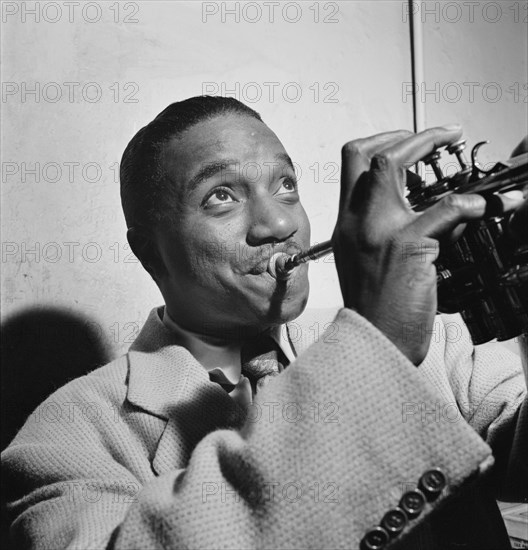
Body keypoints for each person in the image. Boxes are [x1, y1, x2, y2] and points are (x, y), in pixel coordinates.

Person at [2, 96, 526, 550]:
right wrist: (375, 350)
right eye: (221, 197)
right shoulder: (63, 436)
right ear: (149, 253)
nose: (280, 224)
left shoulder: (436, 341)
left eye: (286, 185)